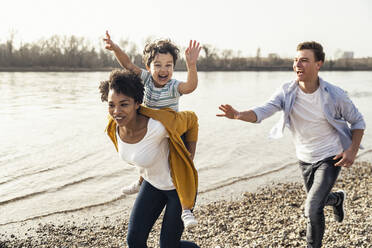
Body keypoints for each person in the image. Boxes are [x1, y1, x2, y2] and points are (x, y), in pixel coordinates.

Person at [217, 41, 365, 248]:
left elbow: (358, 122)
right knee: (317, 202)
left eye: (304, 60)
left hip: (330, 156)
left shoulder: (334, 95)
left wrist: (352, 150)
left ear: (318, 64)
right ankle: (337, 199)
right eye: (296, 60)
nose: (298, 65)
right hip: (304, 158)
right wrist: (239, 114)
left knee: (312, 208)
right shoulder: (287, 91)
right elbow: (263, 110)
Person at [99, 70, 200, 246]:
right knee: (134, 241)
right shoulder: (113, 126)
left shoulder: (158, 125)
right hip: (151, 184)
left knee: (169, 246)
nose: (116, 111)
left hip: (177, 187)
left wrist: (189, 157)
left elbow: (191, 120)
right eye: (111, 105)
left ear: (137, 103)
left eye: (124, 104)